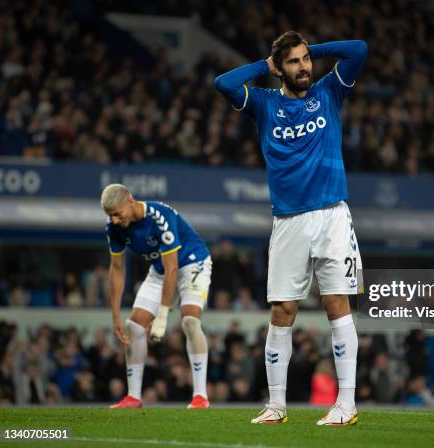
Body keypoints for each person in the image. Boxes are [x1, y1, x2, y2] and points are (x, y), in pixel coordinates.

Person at [215, 31, 367, 426]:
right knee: (282, 310)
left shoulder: (329, 90)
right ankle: (276, 406)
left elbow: (359, 50)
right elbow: (224, 83)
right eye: (295, 61)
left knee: (338, 305)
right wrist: (263, 66)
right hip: (287, 221)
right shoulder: (264, 104)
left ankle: (346, 405)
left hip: (333, 215)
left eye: (306, 60)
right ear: (279, 69)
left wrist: (312, 49)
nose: (304, 67)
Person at [102, 184, 211, 409]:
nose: (114, 220)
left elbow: (173, 268)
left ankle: (200, 396)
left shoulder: (160, 216)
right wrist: (115, 316)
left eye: (117, 214)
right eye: (110, 215)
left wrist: (162, 316)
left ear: (130, 201)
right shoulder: (114, 228)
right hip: (160, 270)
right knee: (134, 326)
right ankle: (133, 397)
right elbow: (117, 269)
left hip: (192, 263)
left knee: (190, 320)